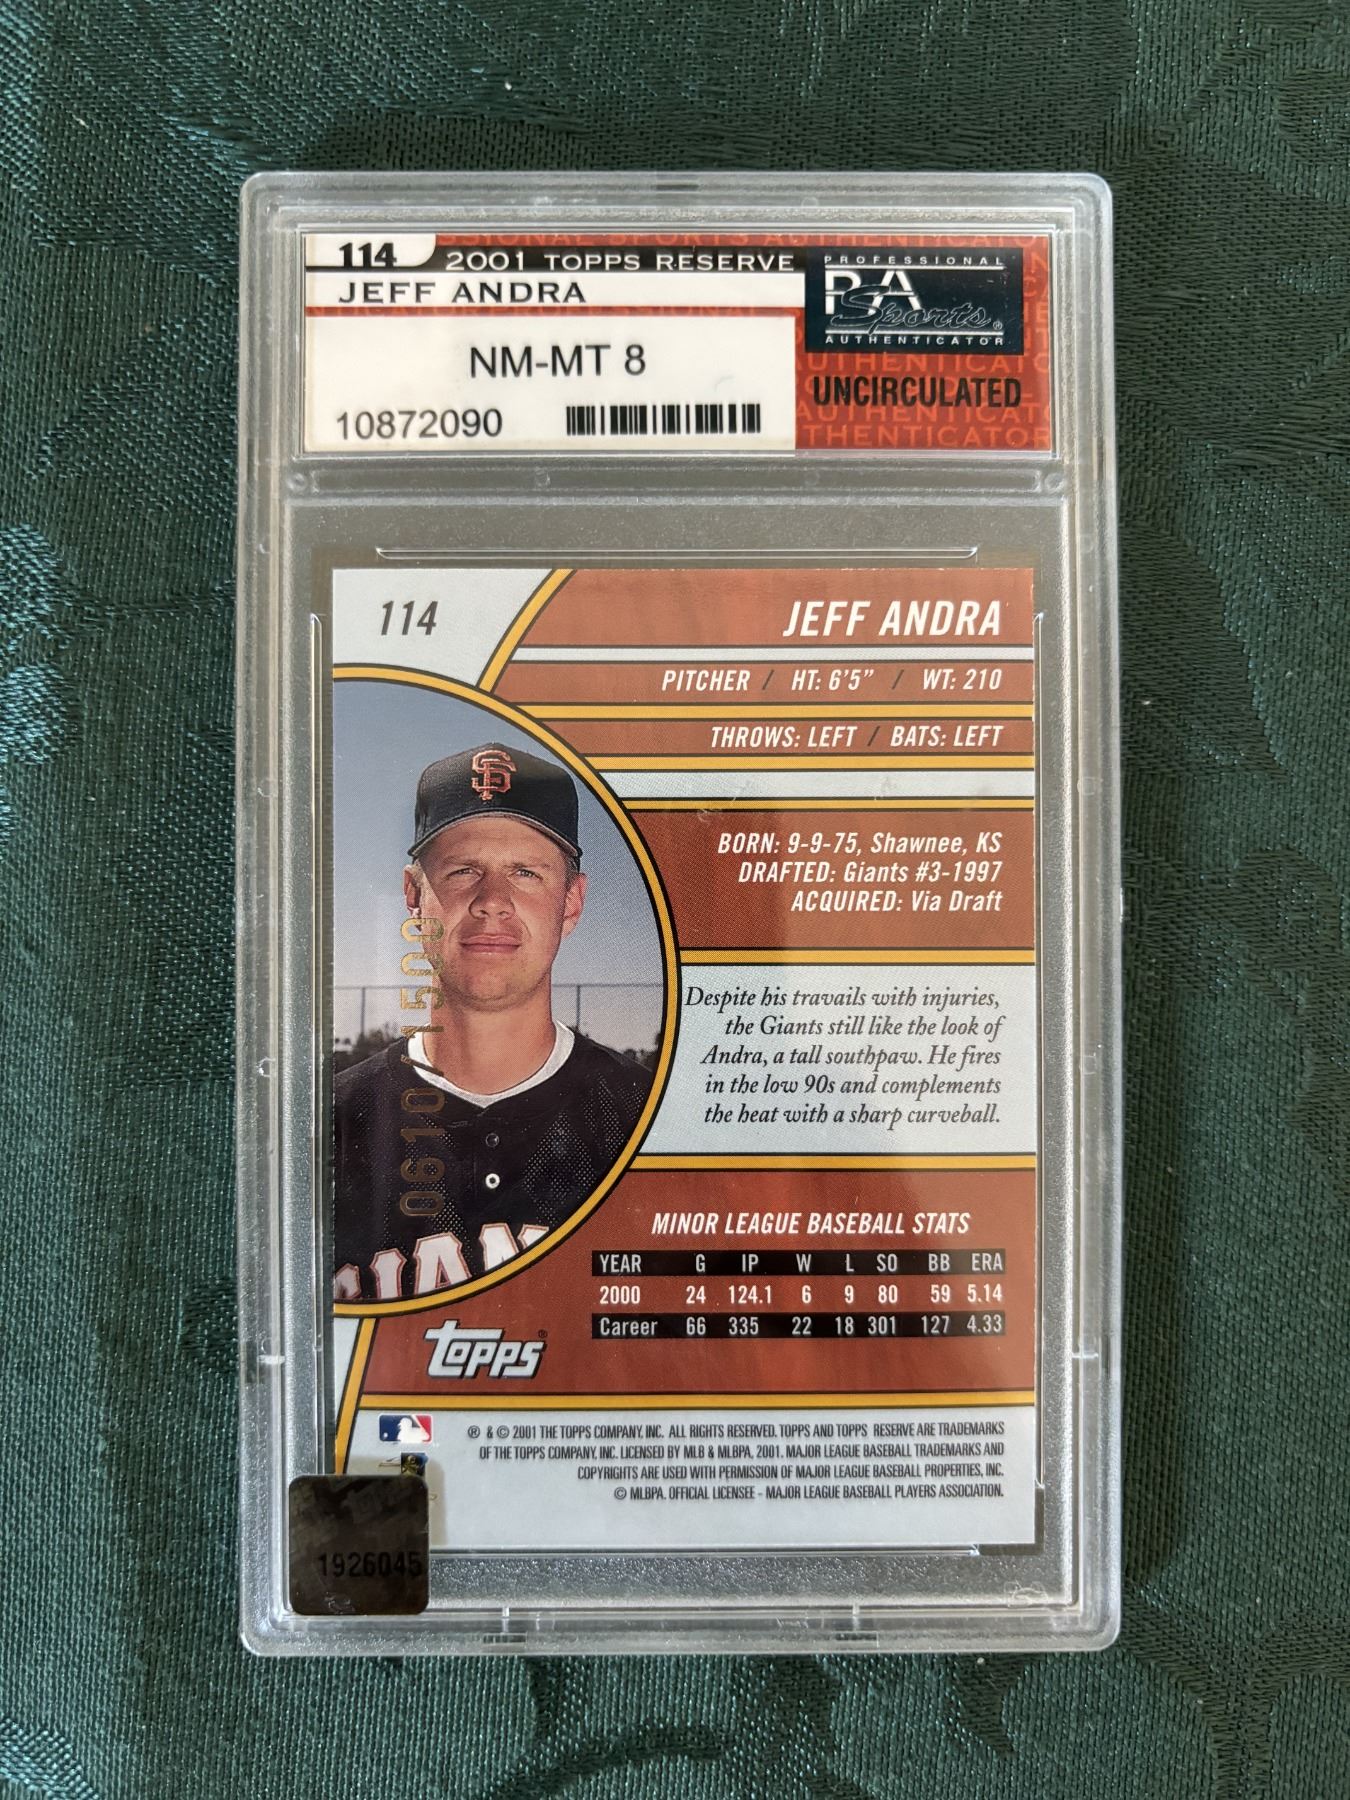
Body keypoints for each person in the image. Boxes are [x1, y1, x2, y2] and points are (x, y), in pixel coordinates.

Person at [334, 742, 654, 1300]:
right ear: (413, 895)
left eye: (526, 873)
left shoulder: (647, 1120)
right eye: (463, 871)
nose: (492, 901)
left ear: (571, 903)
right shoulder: (326, 1126)